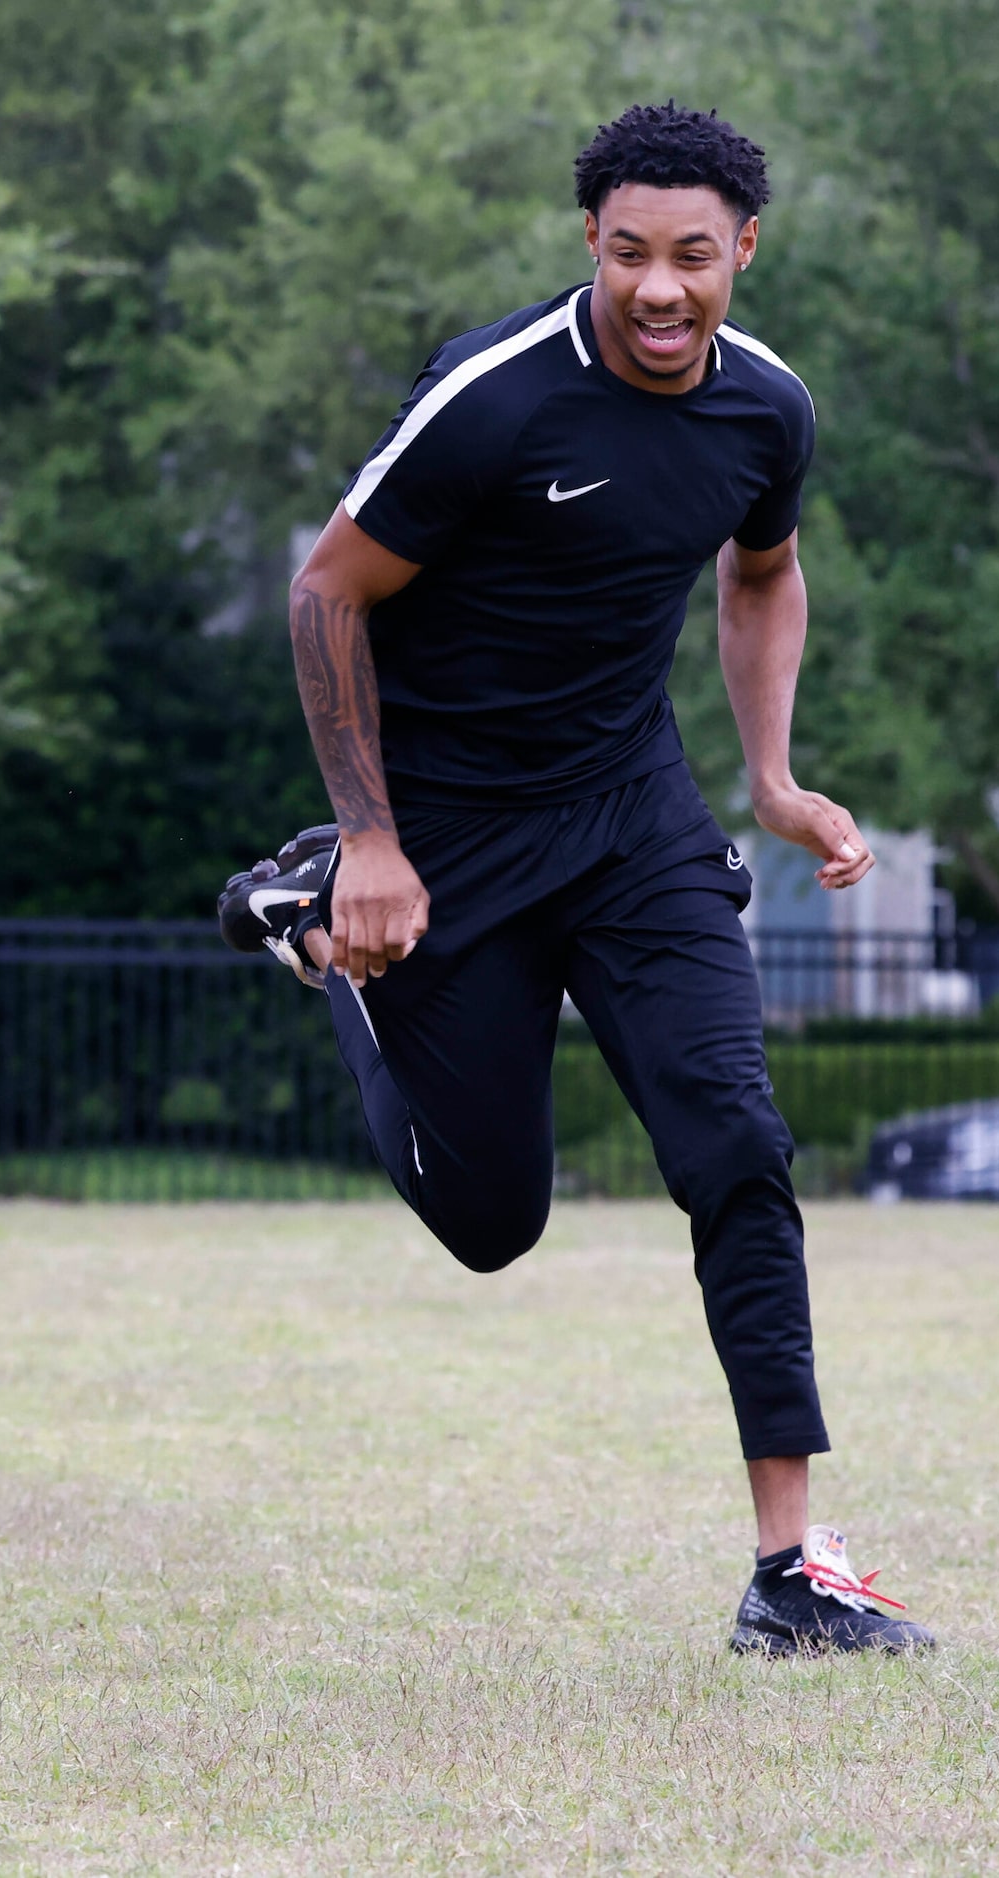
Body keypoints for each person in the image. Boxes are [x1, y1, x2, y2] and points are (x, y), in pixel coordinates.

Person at [216, 105, 931, 1655]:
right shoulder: (492, 398)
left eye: (693, 256)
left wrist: (774, 776)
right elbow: (326, 589)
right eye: (628, 254)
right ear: (588, 245)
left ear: (745, 248)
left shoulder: (768, 413)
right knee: (491, 1223)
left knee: (736, 1139)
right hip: (446, 836)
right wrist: (381, 840)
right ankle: (323, 915)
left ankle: (791, 1569)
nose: (660, 289)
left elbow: (763, 569)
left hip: (630, 822)